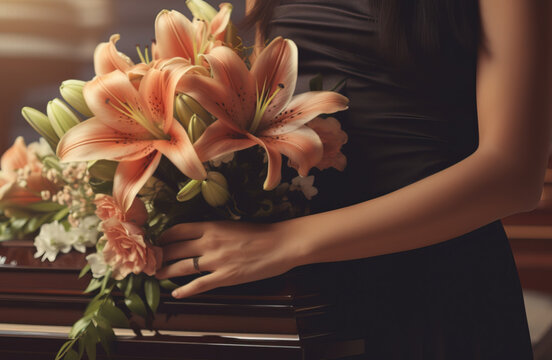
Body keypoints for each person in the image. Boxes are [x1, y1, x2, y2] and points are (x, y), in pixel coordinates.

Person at [154, 0, 551, 358]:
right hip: (310, 298)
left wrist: (285, 243)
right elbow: (264, 117)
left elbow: (513, 174)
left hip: (439, 288)